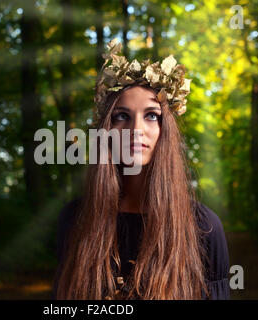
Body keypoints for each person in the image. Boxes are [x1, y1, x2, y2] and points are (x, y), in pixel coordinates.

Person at [52, 39, 230, 300]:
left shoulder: (203, 227)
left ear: (165, 130)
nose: (136, 130)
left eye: (151, 115)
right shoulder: (74, 220)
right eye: (121, 116)